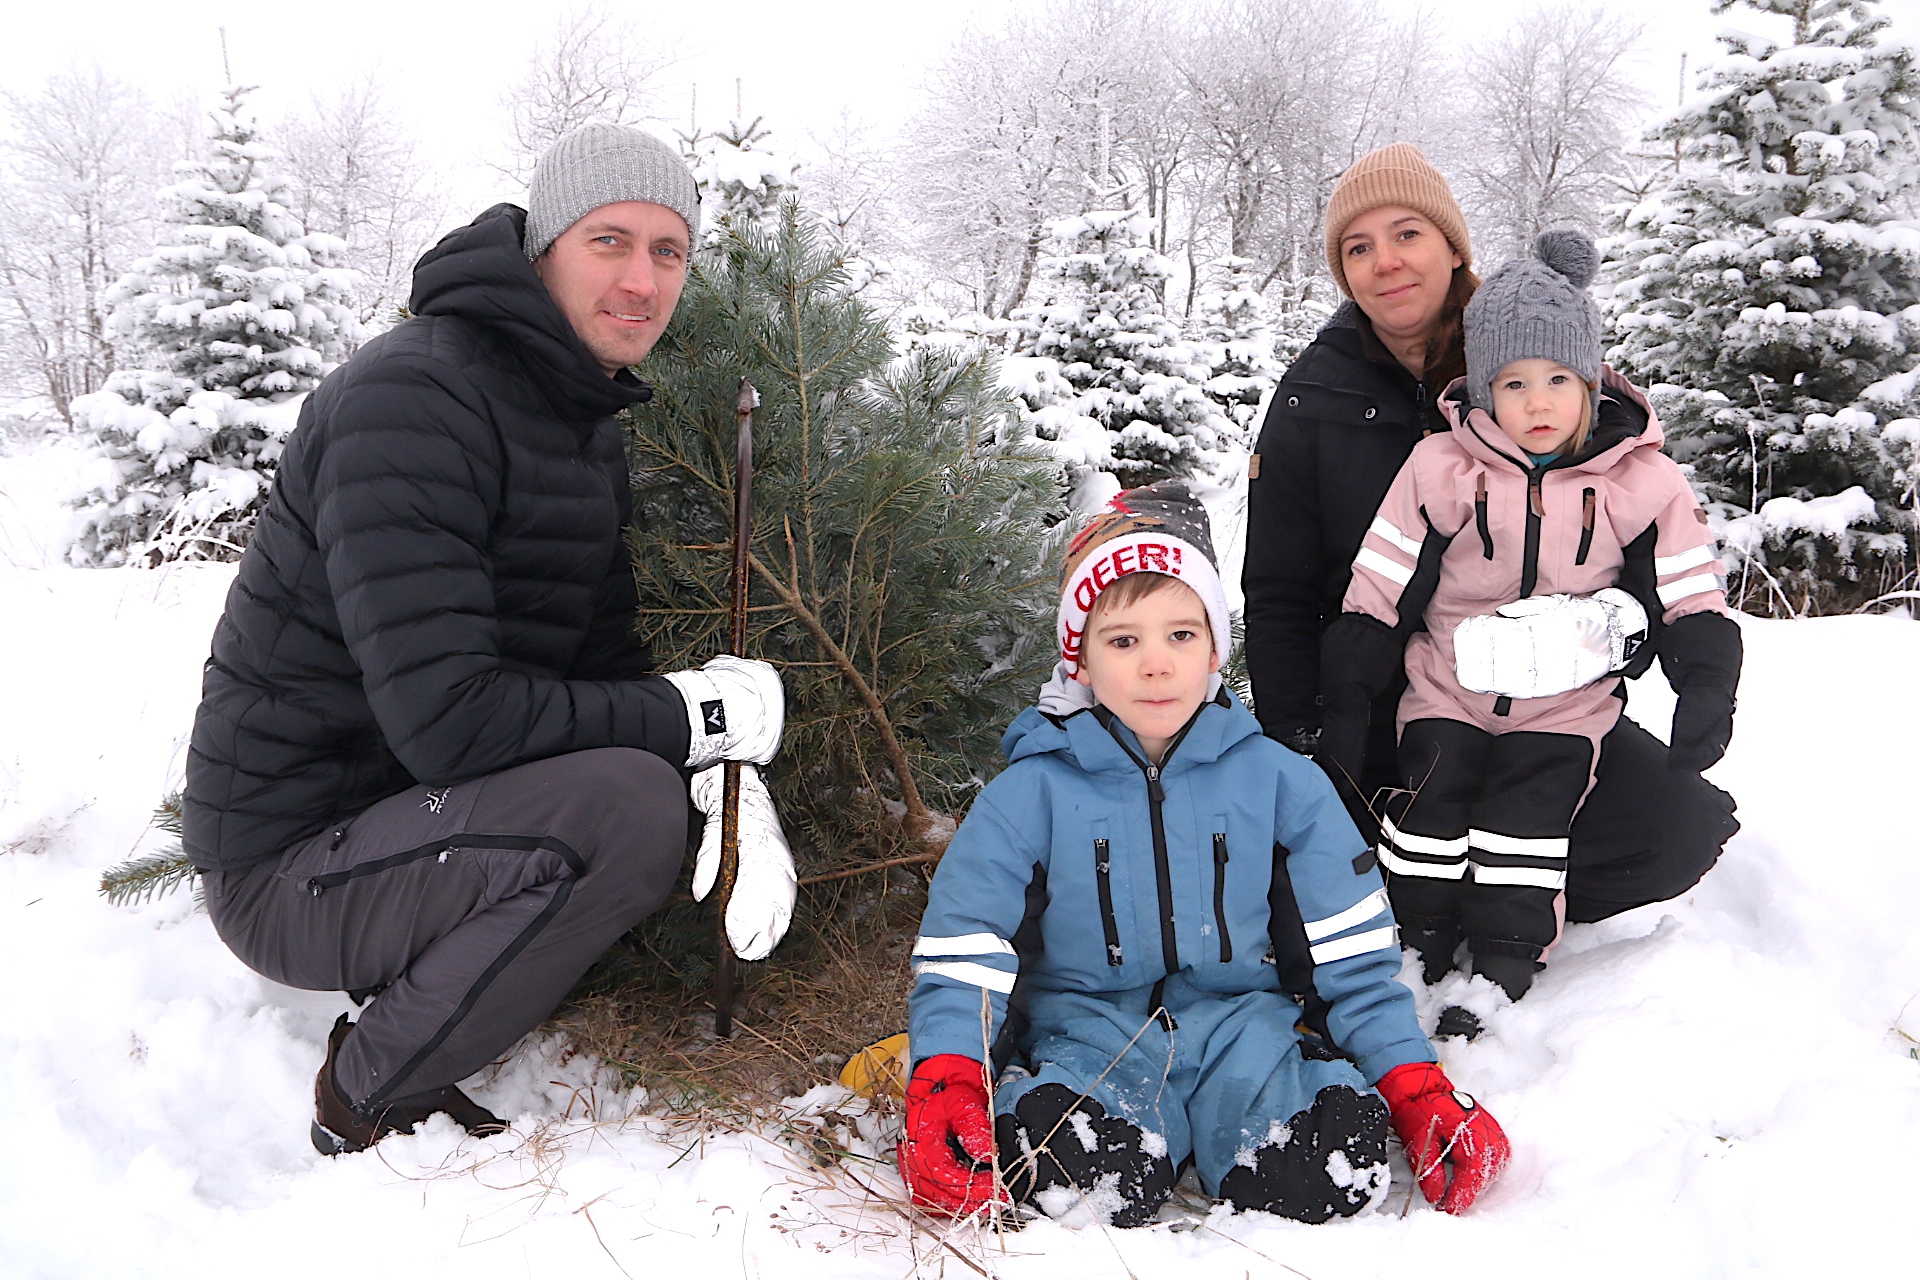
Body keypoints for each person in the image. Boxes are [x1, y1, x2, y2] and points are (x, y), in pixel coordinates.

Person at [182, 123, 796, 1156]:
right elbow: (450, 723)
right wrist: (686, 717)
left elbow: (598, 672)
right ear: (544, 245)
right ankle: (366, 1084)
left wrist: (719, 772)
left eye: (669, 251)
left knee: (647, 795)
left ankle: (412, 1000)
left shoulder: (576, 424)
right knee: (626, 810)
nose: (642, 279)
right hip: (287, 867)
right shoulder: (413, 398)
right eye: (611, 241)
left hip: (396, 824)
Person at [894, 482, 1509, 1227]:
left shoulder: (1283, 785)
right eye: (1124, 641)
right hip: (1089, 1034)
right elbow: (967, 950)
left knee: (1324, 1174)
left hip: (1244, 1029)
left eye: (1181, 635)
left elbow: (1352, 954)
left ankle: (1283, 1120)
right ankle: (1092, 1131)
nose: (1157, 664)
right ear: (1078, 658)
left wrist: (1413, 1082)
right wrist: (948, 1075)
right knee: (1071, 1174)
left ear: (1216, 647)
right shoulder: (1029, 794)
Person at [1241, 142, 1738, 946]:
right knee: (1299, 881)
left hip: (1550, 702)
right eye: (1357, 249)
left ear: (1452, 245)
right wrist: (1302, 743)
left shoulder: (1533, 347)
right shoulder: (1313, 396)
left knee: (1679, 829)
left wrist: (1624, 630)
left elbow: (1637, 529)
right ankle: (1426, 885)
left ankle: (1503, 897)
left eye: (1407, 234)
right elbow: (1279, 592)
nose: (1385, 263)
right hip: (1384, 708)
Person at [1321, 231, 1743, 1035]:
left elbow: (1689, 586)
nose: (1537, 404)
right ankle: (1419, 950)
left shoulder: (1639, 480)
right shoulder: (1440, 469)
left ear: (1590, 382)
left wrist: (1707, 678)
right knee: (1427, 818)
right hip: (1446, 690)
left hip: (1565, 708)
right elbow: (1385, 575)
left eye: (1557, 380)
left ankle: (1504, 966)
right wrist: (1351, 678)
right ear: (1483, 391)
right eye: (1514, 384)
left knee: (1527, 825)